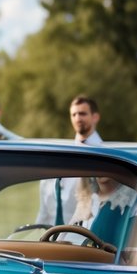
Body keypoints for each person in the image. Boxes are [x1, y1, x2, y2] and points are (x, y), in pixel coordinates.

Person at [39, 95, 104, 228]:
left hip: (85, 237)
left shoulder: (105, 158)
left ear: (95, 117)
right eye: (73, 114)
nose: (77, 118)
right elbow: (43, 213)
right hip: (50, 239)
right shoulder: (59, 157)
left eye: (82, 113)